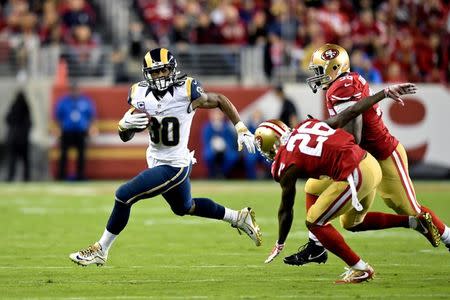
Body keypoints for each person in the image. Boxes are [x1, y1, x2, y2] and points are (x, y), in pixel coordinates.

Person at [69, 47, 262, 266]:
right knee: (183, 207)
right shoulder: (138, 93)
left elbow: (219, 99)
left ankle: (101, 249)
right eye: (155, 72)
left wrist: (240, 127)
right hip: (156, 160)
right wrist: (124, 126)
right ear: (146, 74)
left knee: (123, 195)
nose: (160, 76)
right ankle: (237, 217)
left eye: (164, 71)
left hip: (175, 165)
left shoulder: (187, 90)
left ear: (173, 70)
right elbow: (125, 136)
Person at [256, 83, 440, 283]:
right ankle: (412, 222)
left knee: (314, 221)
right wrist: (384, 93)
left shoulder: (285, 162)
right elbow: (349, 113)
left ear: (271, 145)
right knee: (347, 219)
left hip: (355, 174)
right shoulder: (305, 126)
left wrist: (280, 242)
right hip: (369, 163)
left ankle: (361, 269)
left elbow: (286, 209)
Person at [285, 43, 450, 266]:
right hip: (363, 158)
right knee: (348, 220)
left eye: (320, 71)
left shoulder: (342, 87)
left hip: (382, 156)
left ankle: (447, 237)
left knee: (412, 207)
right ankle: (316, 247)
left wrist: (324, 135)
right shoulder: (345, 82)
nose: (316, 76)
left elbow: (355, 133)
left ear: (335, 68)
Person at [54, 81, 97, 181]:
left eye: (76, 90)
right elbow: (58, 117)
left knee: (81, 155)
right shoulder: (63, 101)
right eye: (72, 90)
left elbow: (91, 117)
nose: (74, 92)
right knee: (63, 154)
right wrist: (58, 130)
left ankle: (80, 175)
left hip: (81, 132)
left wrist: (91, 129)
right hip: (66, 132)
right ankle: (62, 175)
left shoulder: (86, 101)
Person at [201, 109, 239, 179]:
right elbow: (206, 141)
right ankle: (212, 174)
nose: (217, 117)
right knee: (208, 155)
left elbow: (231, 141)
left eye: (218, 115)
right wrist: (213, 145)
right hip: (212, 148)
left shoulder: (226, 127)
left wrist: (224, 145)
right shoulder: (207, 127)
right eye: (215, 115)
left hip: (226, 149)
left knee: (232, 156)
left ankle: (223, 173)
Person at [6, 90, 32, 181]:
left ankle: (11, 176)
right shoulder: (26, 109)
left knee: (13, 160)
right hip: (23, 140)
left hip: (14, 138)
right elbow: (30, 124)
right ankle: (26, 177)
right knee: (25, 160)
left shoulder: (13, 108)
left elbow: (7, 119)